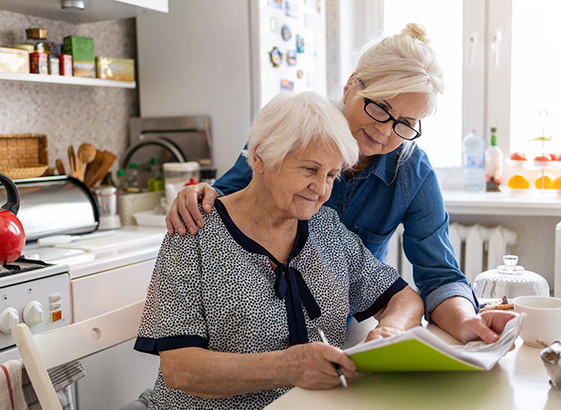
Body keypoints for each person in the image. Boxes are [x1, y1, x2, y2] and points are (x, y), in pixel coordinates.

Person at [165, 23, 516, 344]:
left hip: (339, 329)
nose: (384, 130)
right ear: (351, 85)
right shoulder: (293, 132)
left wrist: (467, 321)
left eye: (405, 123)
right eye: (380, 107)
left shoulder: (412, 172)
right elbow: (228, 200)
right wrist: (197, 194)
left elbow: (439, 276)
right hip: (254, 329)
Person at [134, 91, 424, 409]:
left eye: (331, 175)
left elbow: (404, 298)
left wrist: (390, 330)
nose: (321, 189)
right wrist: (287, 367)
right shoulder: (194, 231)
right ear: (260, 157)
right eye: (309, 170)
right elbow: (180, 369)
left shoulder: (326, 228)